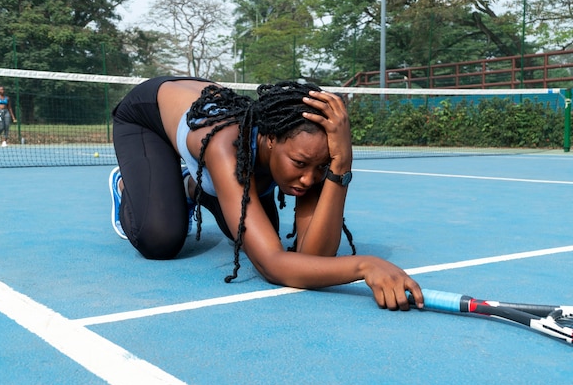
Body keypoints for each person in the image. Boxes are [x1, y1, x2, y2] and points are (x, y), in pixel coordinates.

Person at [109, 76, 424, 311]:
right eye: (299, 164)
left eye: (321, 167)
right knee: (161, 239)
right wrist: (364, 265)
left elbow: (311, 258)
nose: (307, 179)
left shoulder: (312, 155)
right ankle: (129, 185)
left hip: (231, 166)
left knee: (255, 235)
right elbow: (273, 265)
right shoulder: (226, 146)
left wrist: (340, 166)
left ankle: (194, 186)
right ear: (270, 139)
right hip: (148, 116)